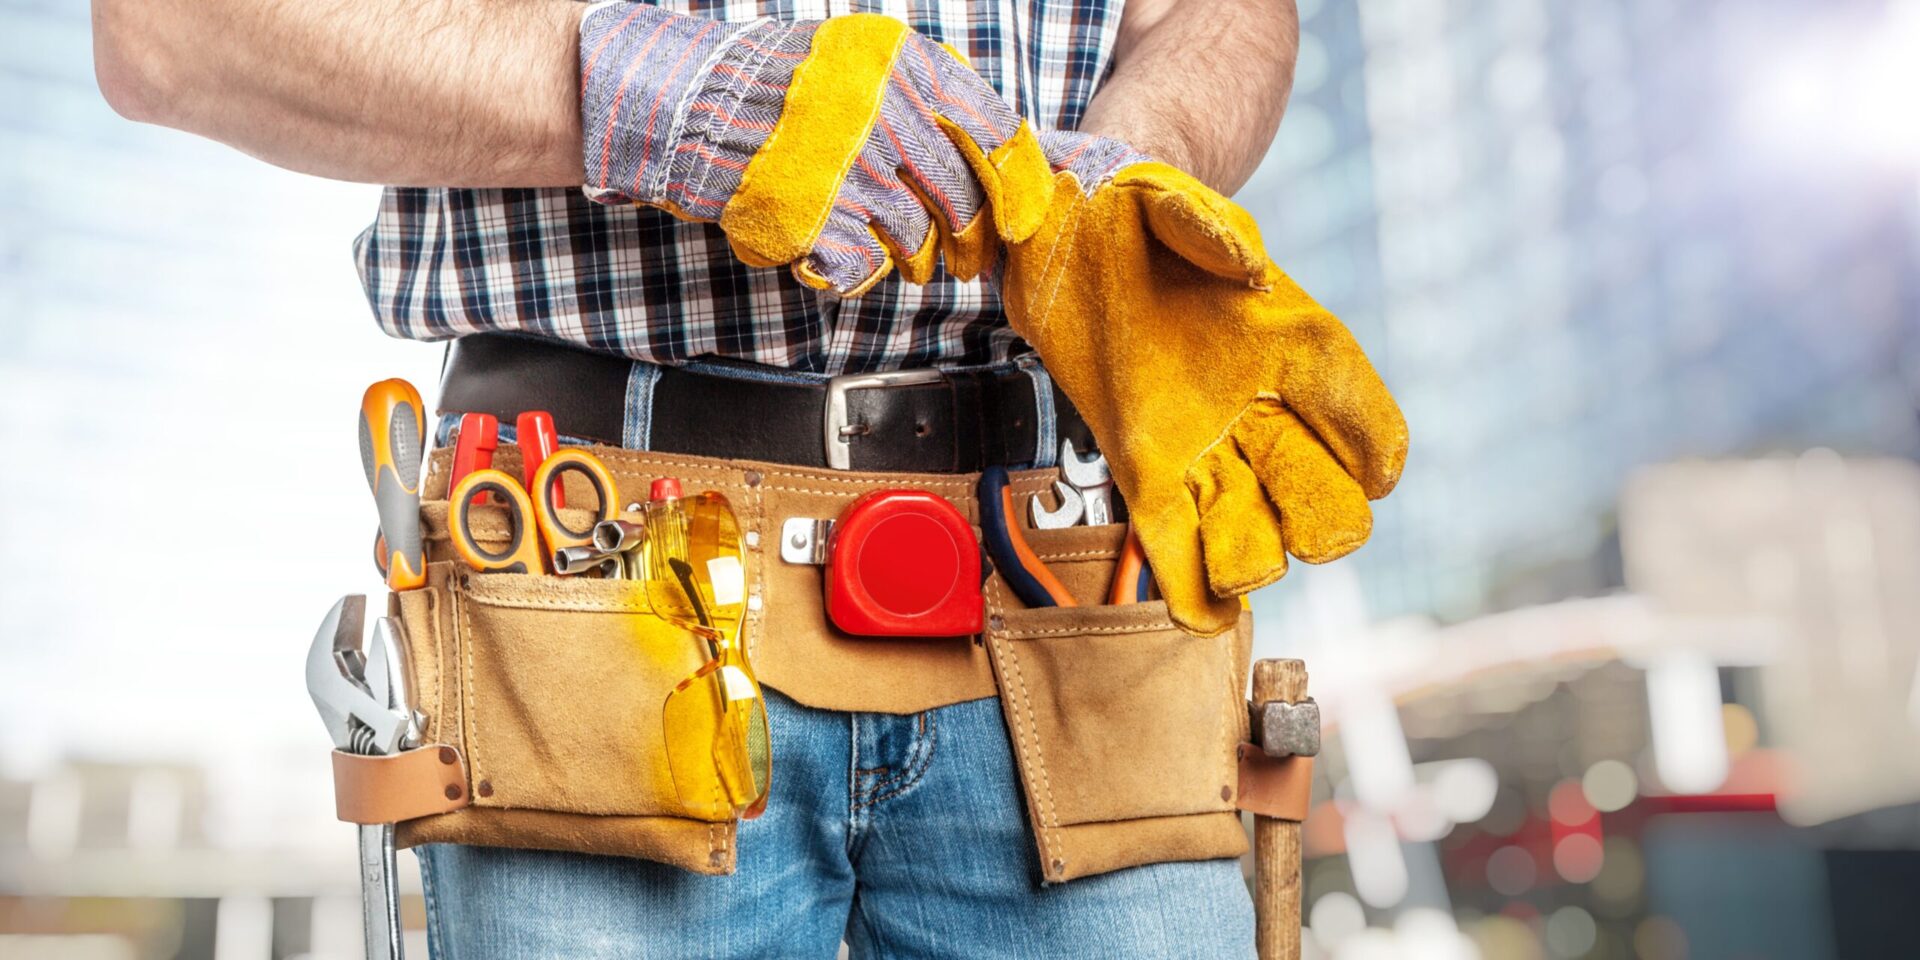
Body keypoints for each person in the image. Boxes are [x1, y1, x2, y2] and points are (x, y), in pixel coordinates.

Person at [93, 2, 1378, 956]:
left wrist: (1119, 180)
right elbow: (170, 31)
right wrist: (659, 96)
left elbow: (1222, 17)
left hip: (1077, 573)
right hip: (598, 579)